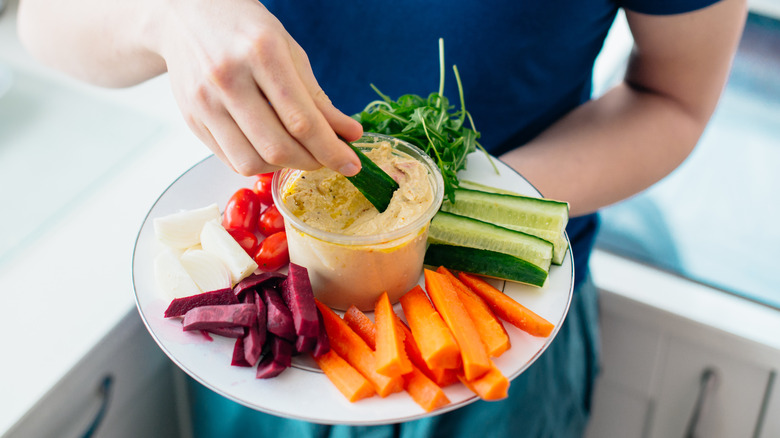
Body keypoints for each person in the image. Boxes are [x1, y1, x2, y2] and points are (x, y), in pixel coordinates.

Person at [16, 0, 746, 436]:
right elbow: (46, 22)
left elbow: (674, 99)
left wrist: (444, 214)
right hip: (274, 342)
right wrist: (167, 14)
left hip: (493, 341)